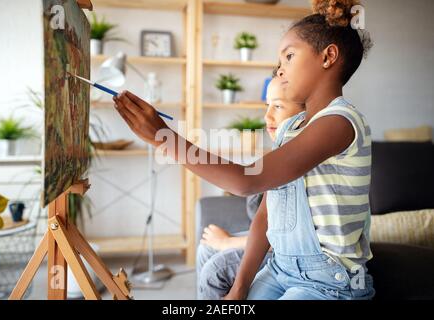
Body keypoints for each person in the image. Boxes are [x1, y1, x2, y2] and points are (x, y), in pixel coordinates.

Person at [113, 0, 375, 300]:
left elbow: (246, 180)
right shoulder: (292, 129)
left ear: (328, 57)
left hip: (330, 281)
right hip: (280, 269)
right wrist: (239, 288)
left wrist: (165, 139)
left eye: (289, 56)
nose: (280, 69)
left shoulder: (340, 123)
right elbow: (266, 214)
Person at [197, 73, 305, 300]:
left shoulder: (303, 156)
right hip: (274, 239)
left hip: (288, 251)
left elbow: (287, 237)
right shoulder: (281, 150)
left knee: (216, 269)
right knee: (206, 248)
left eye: (277, 106)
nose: (267, 116)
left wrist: (227, 242)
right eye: (267, 106)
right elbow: (266, 217)